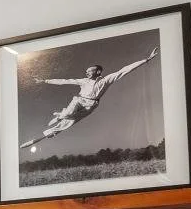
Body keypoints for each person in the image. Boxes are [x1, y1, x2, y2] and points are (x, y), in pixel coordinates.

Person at [25, 46, 159, 151]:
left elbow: (124, 70)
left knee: (69, 123)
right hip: (79, 100)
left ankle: (49, 132)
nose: (87, 72)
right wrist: (44, 81)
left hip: (92, 105)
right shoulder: (83, 81)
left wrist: (147, 59)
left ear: (98, 72)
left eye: (90, 70)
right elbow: (64, 81)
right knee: (68, 114)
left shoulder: (105, 80)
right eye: (87, 71)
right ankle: (61, 114)